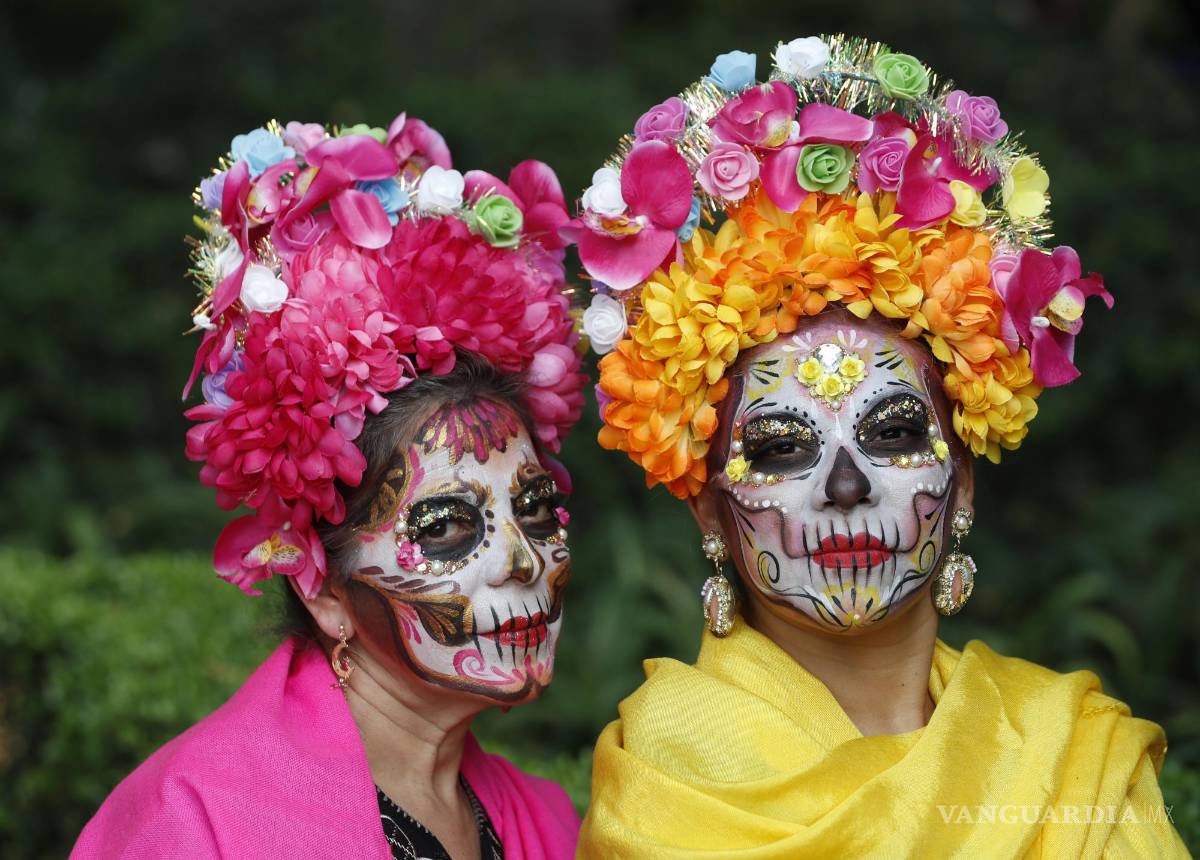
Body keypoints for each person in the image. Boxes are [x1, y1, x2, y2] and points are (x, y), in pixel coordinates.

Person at [573, 34, 1188, 857]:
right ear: (708, 512)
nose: (847, 486)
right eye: (783, 447)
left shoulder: (1073, 753)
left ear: (963, 481)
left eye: (893, 433)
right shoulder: (666, 782)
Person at [72, 113, 585, 859]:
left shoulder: (547, 820)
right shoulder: (192, 823)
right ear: (323, 591)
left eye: (535, 510)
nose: (524, 560)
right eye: (446, 527)